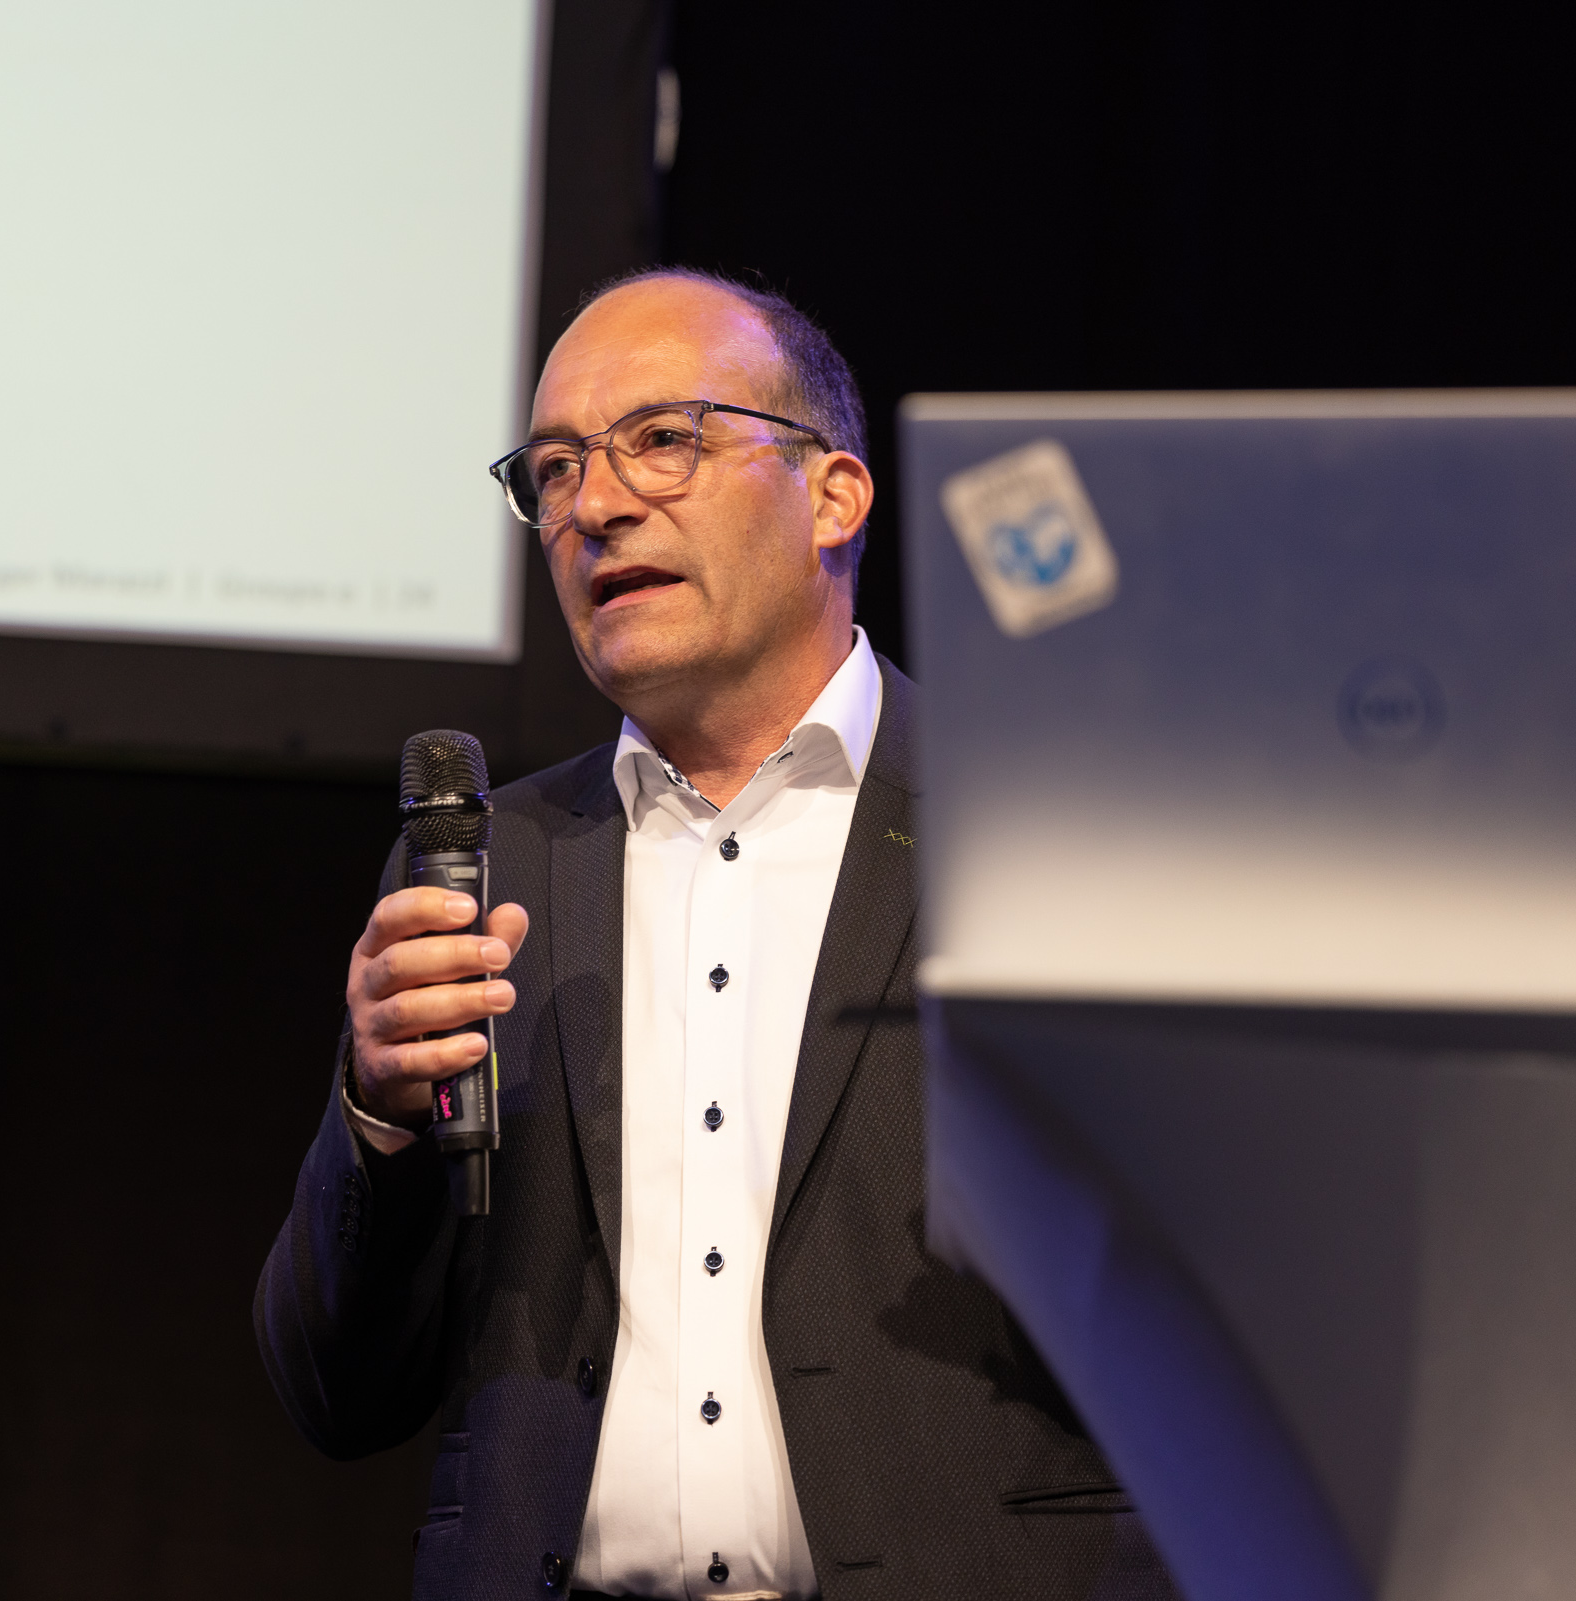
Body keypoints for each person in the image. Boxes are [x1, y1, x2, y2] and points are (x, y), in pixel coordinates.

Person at [255, 269, 1177, 1601]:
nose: (596, 505)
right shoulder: (490, 868)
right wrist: (380, 1112)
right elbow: (335, 1390)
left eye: (663, 439)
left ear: (833, 496)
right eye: (555, 468)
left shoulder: (1052, 829)